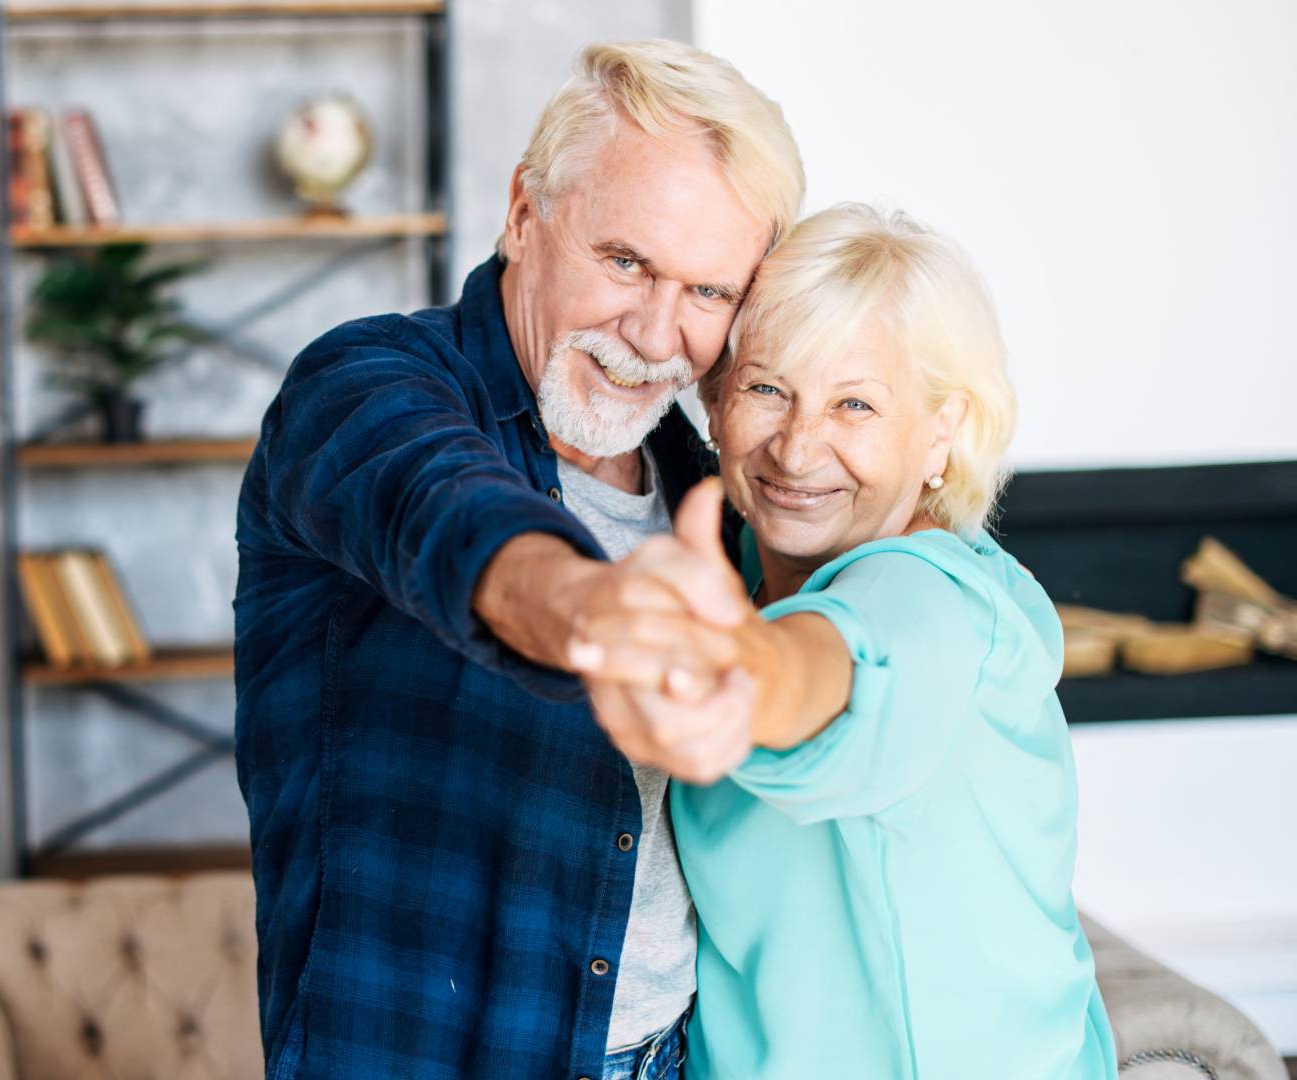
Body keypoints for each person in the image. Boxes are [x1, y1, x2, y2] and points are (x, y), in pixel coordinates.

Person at [233, 39, 803, 1079]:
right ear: (525, 213)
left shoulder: (705, 488)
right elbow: (452, 522)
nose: (655, 332)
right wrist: (598, 612)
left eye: (709, 292)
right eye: (624, 261)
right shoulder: (364, 384)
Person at [567, 203, 1118, 1078]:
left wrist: (739, 675)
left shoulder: (933, 596)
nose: (796, 447)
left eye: (855, 404)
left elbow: (842, 664)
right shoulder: (740, 561)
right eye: (767, 389)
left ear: (942, 429)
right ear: (714, 398)